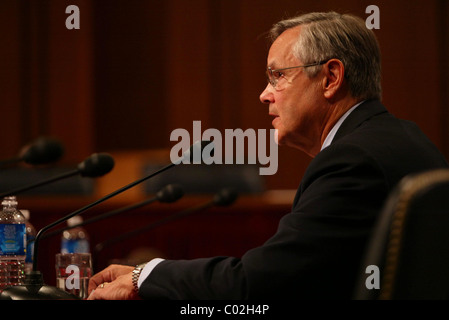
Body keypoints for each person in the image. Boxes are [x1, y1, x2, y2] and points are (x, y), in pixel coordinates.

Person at [87, 11, 448, 300]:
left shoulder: (352, 162)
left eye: (277, 76)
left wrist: (143, 275)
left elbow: (257, 287)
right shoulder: (406, 138)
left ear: (331, 77)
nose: (264, 94)